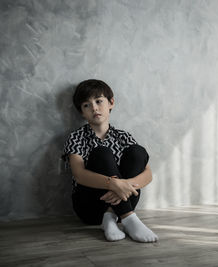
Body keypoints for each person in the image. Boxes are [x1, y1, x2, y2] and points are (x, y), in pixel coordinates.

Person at [63, 79, 158, 243]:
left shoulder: (123, 136)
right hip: (90, 208)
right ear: (81, 112)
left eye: (99, 101)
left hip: (122, 202)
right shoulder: (76, 137)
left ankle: (110, 217)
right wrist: (113, 184)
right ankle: (129, 219)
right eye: (87, 105)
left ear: (111, 103)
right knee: (101, 153)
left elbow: (147, 174)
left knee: (137, 151)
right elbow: (79, 175)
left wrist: (124, 185)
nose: (94, 108)